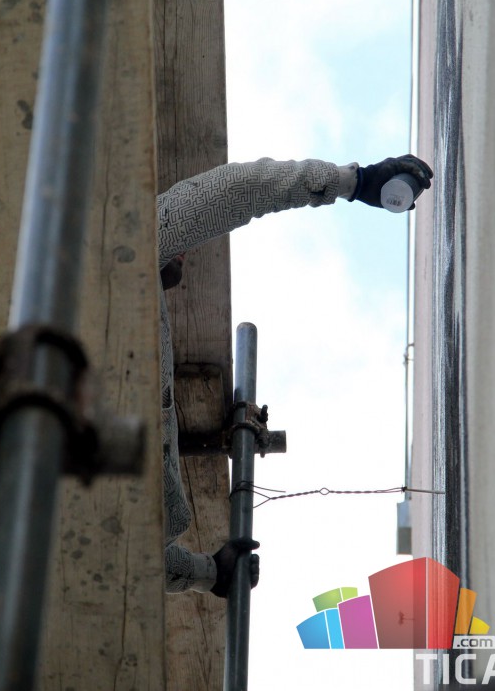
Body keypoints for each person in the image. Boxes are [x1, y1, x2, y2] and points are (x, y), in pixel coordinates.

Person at [158, 154, 432, 594]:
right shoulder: (119, 259)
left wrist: (208, 573)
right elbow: (232, 193)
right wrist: (353, 182)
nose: (184, 254)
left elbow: (135, 555)